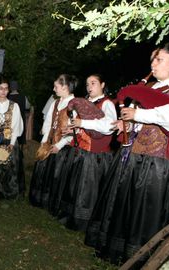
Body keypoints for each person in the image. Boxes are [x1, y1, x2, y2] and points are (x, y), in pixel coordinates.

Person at [85, 43, 169, 263]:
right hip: (135, 156)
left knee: (146, 211)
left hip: (158, 163)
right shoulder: (151, 88)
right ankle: (119, 252)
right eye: (152, 60)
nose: (153, 64)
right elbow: (141, 123)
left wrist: (137, 114)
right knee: (127, 205)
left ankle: (145, 258)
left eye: (159, 59)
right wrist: (127, 124)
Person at [55, 74, 116, 231]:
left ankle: (84, 222)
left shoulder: (107, 103)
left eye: (93, 83)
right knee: (74, 186)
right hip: (80, 151)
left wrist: (83, 122)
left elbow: (108, 126)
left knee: (87, 189)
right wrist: (72, 128)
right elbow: (80, 127)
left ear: (102, 84)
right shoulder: (85, 103)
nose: (89, 87)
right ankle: (69, 217)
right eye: (88, 84)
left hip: (95, 156)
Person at [29, 74, 76, 209]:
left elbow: (75, 130)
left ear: (65, 87)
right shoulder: (55, 102)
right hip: (49, 143)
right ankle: (40, 200)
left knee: (56, 176)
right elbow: (48, 122)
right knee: (43, 173)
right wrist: (44, 142)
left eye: (56, 86)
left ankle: (53, 204)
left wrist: (59, 145)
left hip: (63, 148)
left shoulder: (75, 105)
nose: (54, 89)